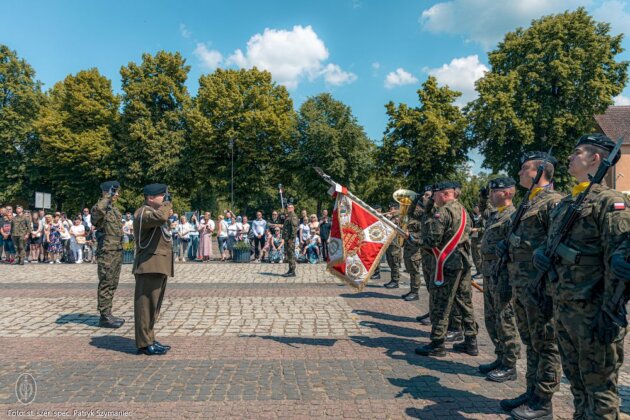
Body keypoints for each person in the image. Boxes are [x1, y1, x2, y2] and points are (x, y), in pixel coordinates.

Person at [533, 134, 630, 419]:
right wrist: (541, 253)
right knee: (577, 385)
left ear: (595, 159)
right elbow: (551, 243)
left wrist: (611, 312)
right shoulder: (566, 203)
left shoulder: (610, 203)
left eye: (577, 153)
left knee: (599, 391)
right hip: (565, 308)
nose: (569, 158)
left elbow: (619, 263)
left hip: (594, 311)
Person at [499, 151, 563, 417]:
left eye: (525, 168)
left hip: (540, 287)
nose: (520, 173)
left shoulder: (553, 203)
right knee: (531, 342)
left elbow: (555, 246)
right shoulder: (529, 202)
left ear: (540, 171)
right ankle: (532, 391)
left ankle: (544, 402)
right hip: (523, 286)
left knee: (546, 343)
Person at [415, 181, 477, 357]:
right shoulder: (463, 210)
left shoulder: (443, 213)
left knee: (441, 302)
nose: (433, 197)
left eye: (435, 194)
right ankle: (471, 341)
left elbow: (431, 241)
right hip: (463, 261)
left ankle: (437, 343)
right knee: (464, 301)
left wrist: (414, 240)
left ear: (444, 194)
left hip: (447, 263)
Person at [477, 177, 520, 383]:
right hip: (489, 272)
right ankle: (500, 356)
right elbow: (483, 210)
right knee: (491, 318)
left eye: (494, 192)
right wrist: (482, 196)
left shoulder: (513, 217)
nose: (491, 195)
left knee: (505, 319)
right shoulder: (496, 215)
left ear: (506, 193)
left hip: (503, 274)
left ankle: (510, 364)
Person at [133, 183, 174, 356]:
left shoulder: (154, 213)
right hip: (149, 265)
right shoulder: (143, 212)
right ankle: (143, 343)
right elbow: (162, 218)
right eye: (161, 196)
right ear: (150, 198)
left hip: (157, 265)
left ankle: (149, 337)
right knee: (145, 306)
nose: (165, 199)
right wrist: (168, 204)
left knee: (153, 307)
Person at [91, 181, 125, 329]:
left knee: (113, 282)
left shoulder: (114, 210)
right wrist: (107, 196)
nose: (117, 195)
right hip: (107, 252)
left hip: (116, 251)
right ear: (107, 192)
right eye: (114, 192)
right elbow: (97, 212)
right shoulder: (100, 207)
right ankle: (104, 316)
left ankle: (108, 313)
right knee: (106, 282)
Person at [384, 203, 403, 291]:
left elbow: (392, 225)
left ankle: (395, 281)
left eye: (392, 209)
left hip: (395, 244)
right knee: (390, 262)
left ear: (396, 209)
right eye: (390, 208)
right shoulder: (391, 217)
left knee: (395, 263)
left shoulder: (398, 217)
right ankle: (392, 280)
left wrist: (388, 218)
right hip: (390, 243)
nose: (390, 210)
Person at [282, 204, 299, 277]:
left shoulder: (293, 216)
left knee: (291, 254)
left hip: (290, 239)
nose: (288, 208)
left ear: (293, 208)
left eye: (290, 207)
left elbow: (294, 229)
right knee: (289, 254)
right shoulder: (288, 216)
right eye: (287, 207)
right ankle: (290, 270)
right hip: (287, 239)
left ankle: (292, 271)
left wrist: (291, 239)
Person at [470, 205, 484, 278]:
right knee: (474, 257)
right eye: (474, 207)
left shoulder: (482, 217)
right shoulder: (474, 217)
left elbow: (484, 228)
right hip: (474, 240)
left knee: (478, 257)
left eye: (476, 207)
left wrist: (476, 229)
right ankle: (478, 271)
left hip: (479, 241)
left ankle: (481, 272)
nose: (475, 208)